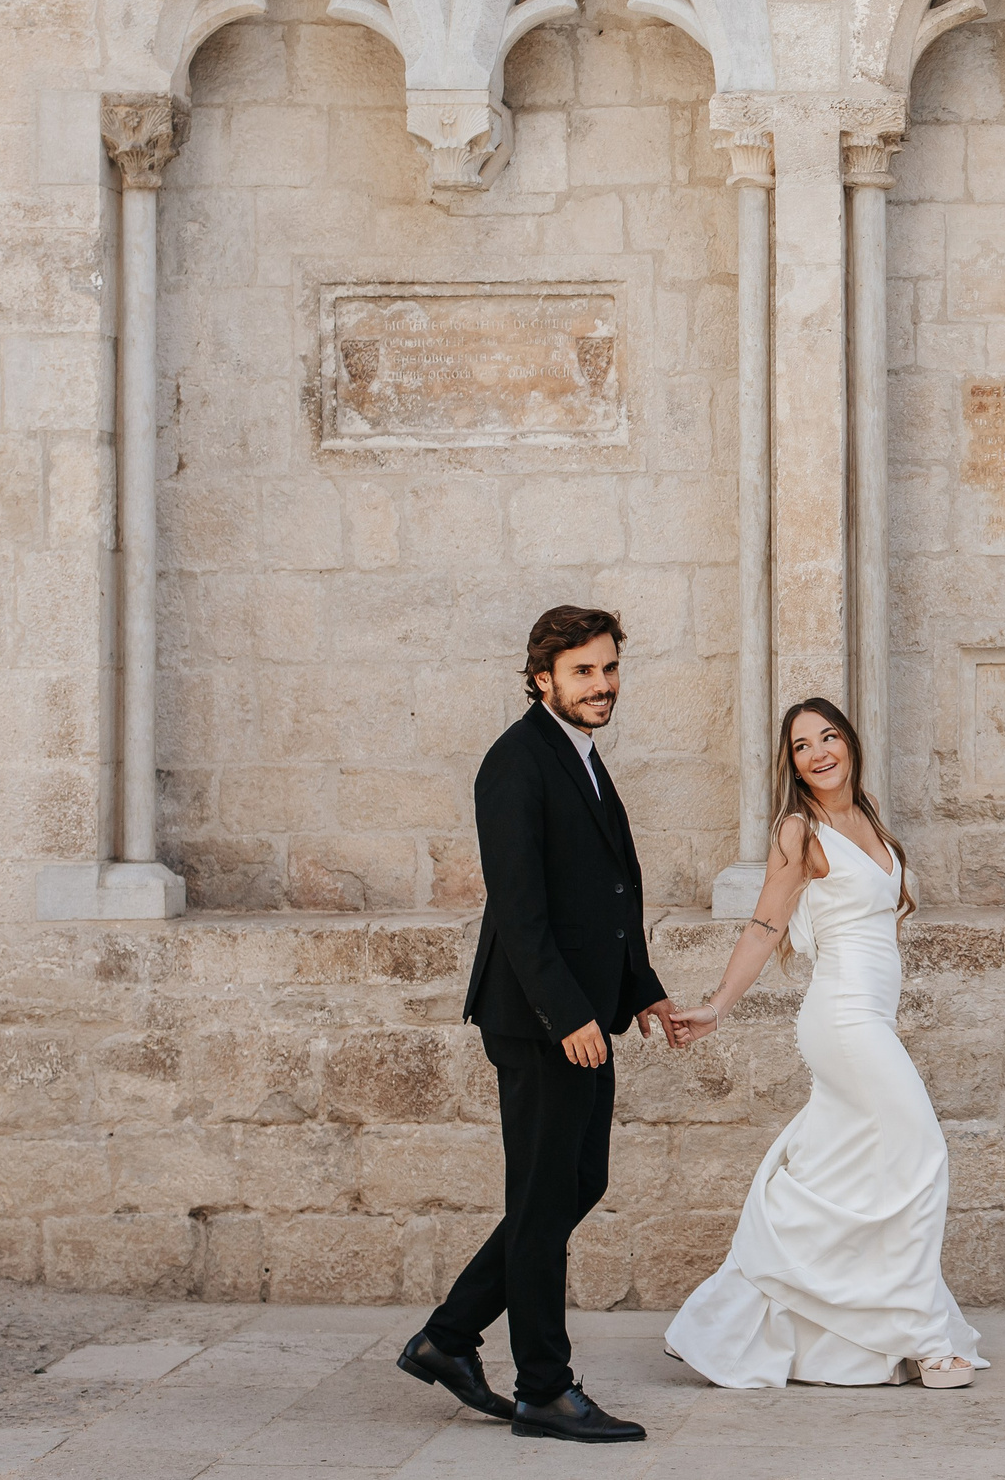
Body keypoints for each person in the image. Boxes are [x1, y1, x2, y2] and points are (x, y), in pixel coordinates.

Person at [397, 606, 682, 1443]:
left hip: (585, 1014)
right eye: (583, 672)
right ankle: (544, 1388)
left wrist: (643, 991)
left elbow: (608, 896)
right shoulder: (514, 764)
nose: (601, 685)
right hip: (540, 1020)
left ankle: (448, 1338)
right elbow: (521, 912)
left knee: (571, 1186)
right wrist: (568, 1014)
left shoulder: (580, 758)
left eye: (608, 669)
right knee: (541, 1197)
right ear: (542, 677)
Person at [660, 697, 985, 1389]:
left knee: (841, 1172)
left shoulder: (865, 815)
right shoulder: (797, 832)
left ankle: (723, 1320)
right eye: (802, 745)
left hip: (870, 1015)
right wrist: (718, 1005)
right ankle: (927, 1339)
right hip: (842, 1017)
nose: (818, 752)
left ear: (849, 742)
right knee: (921, 1150)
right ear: (792, 763)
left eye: (828, 736)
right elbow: (764, 927)